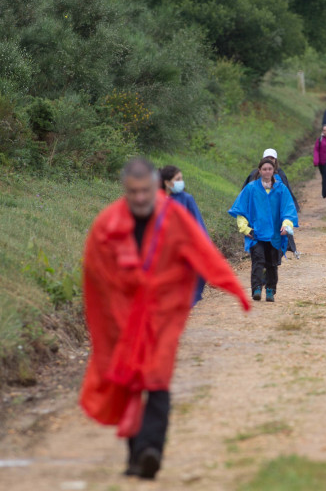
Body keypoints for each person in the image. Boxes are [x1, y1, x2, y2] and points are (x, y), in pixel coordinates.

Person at [80, 158, 250, 480]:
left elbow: (202, 250)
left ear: (154, 187)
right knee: (129, 380)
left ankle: (151, 450)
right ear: (125, 190)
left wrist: (233, 287)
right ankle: (135, 457)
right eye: (134, 192)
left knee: (156, 378)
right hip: (123, 317)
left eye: (145, 190)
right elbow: (95, 274)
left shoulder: (172, 216)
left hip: (162, 315)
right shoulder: (108, 223)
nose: (141, 197)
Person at [229, 157, 298, 303]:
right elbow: (241, 210)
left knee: (272, 263)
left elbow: (288, 210)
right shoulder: (251, 188)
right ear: (259, 171)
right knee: (258, 261)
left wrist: (286, 225)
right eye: (264, 169)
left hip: (274, 235)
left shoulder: (280, 189)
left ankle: (271, 291)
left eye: (270, 169)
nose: (267, 171)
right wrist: (244, 228)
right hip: (256, 234)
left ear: (274, 171)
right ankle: (257, 289)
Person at [159, 165, 208, 306]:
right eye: (177, 179)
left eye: (181, 178)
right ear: (167, 183)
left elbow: (198, 224)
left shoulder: (186, 199)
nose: (181, 181)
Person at [242, 149, 301, 258]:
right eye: (268, 158)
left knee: (274, 253)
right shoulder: (253, 177)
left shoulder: (281, 176)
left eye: (272, 158)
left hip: (275, 215)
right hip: (258, 217)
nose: (270, 160)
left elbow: (286, 195)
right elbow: (245, 196)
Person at [313, 124, 326, 199]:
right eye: (324, 130)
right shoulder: (320, 139)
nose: (325, 132)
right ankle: (325, 192)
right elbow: (316, 150)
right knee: (324, 177)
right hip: (322, 162)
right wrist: (316, 160)